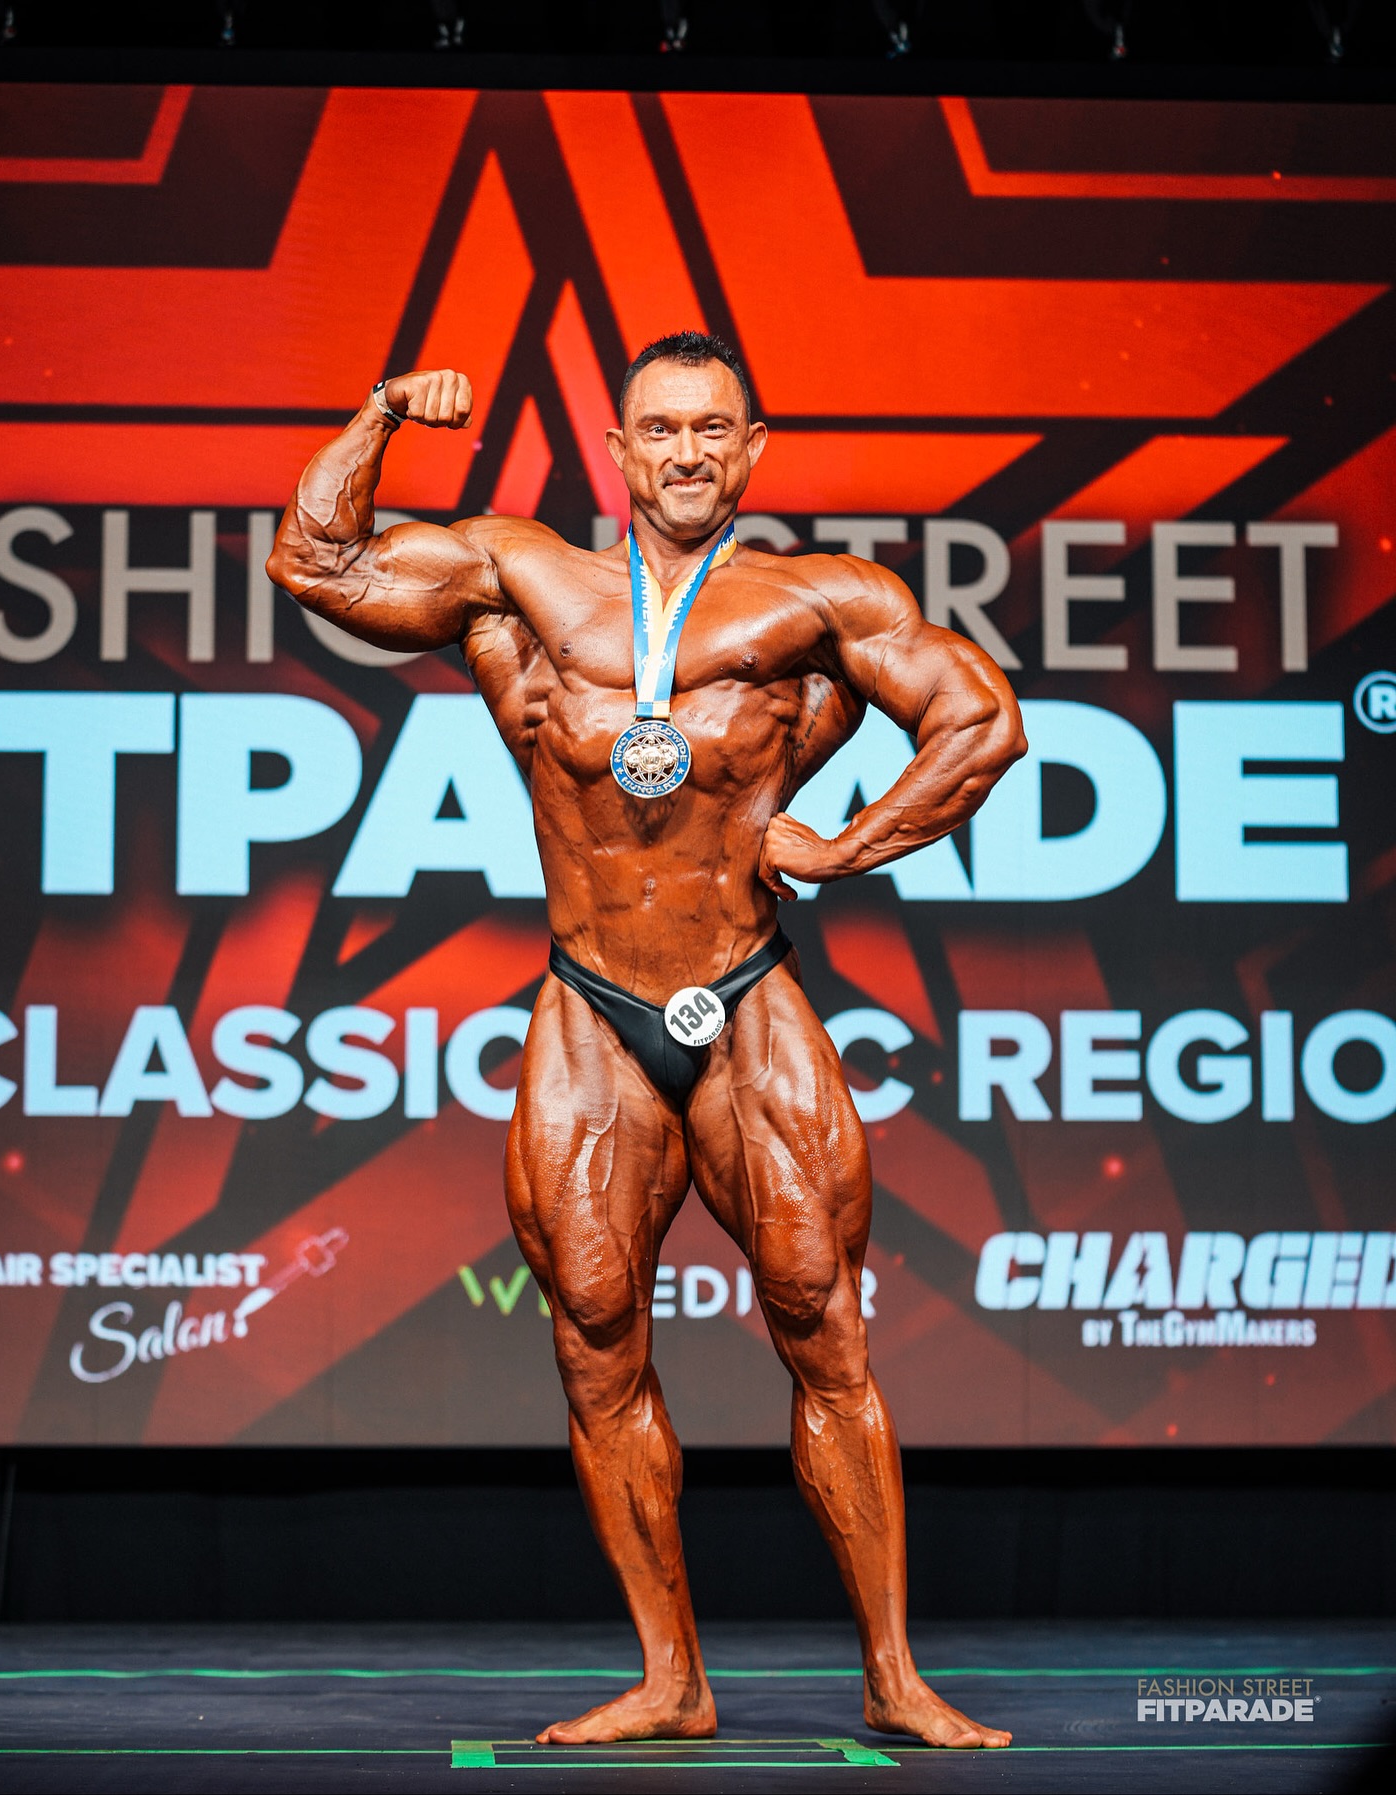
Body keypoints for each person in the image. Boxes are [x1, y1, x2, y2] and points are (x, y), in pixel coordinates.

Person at [267, 332, 1025, 1749]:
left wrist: (847, 846)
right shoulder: (524, 580)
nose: (686, 452)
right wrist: (378, 415)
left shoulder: (819, 600)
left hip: (746, 997)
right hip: (591, 1009)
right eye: (660, 428)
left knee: (823, 1322)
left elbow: (980, 722)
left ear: (752, 452)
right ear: (618, 452)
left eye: (711, 429)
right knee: (596, 1336)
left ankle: (894, 1677)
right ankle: (672, 1679)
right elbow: (316, 563)